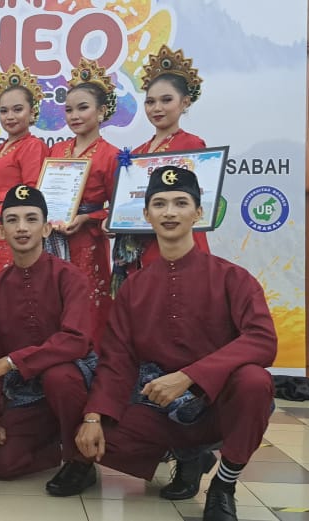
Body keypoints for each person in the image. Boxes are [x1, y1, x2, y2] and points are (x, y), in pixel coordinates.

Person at [75, 166, 277, 521]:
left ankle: (224, 484)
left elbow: (262, 340)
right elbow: (117, 359)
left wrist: (189, 377)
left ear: (198, 213)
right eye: (160, 204)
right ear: (146, 214)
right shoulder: (134, 287)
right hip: (158, 408)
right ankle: (189, 456)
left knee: (254, 381)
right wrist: (93, 416)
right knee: (96, 442)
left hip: (216, 404)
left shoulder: (233, 278)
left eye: (181, 203)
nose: (170, 212)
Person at [0, 184, 99, 496]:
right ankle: (57, 440)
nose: (22, 228)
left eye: (31, 219)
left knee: (58, 375)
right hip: (26, 393)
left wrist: (11, 362)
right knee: (4, 465)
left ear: (46, 228)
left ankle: (81, 461)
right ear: (0, 232)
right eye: (12, 220)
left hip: (72, 386)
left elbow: (76, 341)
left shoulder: (70, 277)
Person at [110, 46, 212, 295]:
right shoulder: (138, 152)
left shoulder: (191, 145)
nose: (157, 108)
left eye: (166, 100)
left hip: (176, 241)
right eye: (150, 102)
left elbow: (197, 200)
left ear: (185, 102)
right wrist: (114, 220)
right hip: (141, 246)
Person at [46, 58, 122, 341]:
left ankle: (92, 357)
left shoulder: (111, 155)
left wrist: (88, 218)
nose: (74, 116)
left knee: (89, 300)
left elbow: (118, 209)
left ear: (101, 111)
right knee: (55, 298)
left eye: (83, 108)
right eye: (69, 110)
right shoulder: (56, 150)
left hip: (88, 240)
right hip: (54, 236)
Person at [0, 65, 50, 281]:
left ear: (32, 112)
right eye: (4, 111)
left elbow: (33, 192)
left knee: (14, 287)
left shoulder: (33, 146)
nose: (10, 116)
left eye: (17, 109)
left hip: (14, 233)